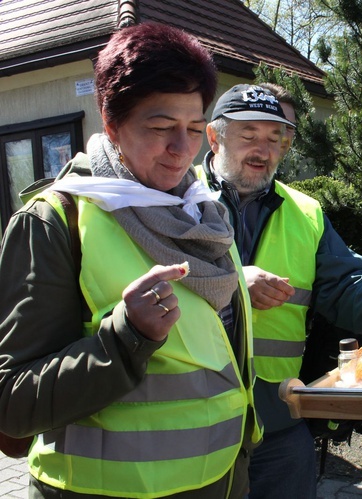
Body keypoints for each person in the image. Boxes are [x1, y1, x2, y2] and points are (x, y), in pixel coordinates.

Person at [0, 22, 260, 498]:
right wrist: (126, 338)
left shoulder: (202, 212)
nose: (182, 150)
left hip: (222, 482)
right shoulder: (57, 220)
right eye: (161, 128)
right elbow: (13, 403)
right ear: (111, 123)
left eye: (196, 129)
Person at [199, 83, 362, 499]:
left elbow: (343, 283)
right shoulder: (176, 198)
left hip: (278, 420)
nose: (263, 150)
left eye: (275, 139)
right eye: (248, 135)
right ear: (214, 137)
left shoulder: (305, 212)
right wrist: (232, 284)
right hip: (194, 418)